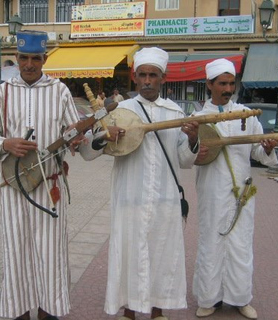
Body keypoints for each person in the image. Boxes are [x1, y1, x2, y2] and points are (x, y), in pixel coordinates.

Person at [81, 47, 199, 320]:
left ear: (163, 78)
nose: (147, 80)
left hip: (165, 200)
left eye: (153, 75)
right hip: (129, 197)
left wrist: (193, 139)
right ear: (135, 78)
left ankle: (157, 312)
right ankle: (129, 312)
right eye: (142, 75)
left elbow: (184, 159)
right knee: (129, 254)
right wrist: (104, 136)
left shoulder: (174, 112)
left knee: (161, 253)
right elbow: (88, 151)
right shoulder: (118, 110)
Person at [0, 30, 87, 320]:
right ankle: (18, 312)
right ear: (16, 58)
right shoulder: (3, 92)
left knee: (50, 254)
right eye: (24, 58)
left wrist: (76, 139)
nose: (29, 64)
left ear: (45, 59)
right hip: (13, 187)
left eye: (35, 59)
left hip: (48, 185)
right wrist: (5, 143)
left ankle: (48, 312)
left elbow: (72, 131)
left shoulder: (60, 91)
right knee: (16, 251)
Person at [192, 58, 278, 319]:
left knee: (241, 245)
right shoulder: (196, 119)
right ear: (209, 84)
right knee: (211, 242)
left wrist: (268, 148)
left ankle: (241, 298)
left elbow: (260, 154)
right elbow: (185, 156)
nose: (228, 89)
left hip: (242, 193)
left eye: (231, 83)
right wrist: (194, 148)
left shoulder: (247, 115)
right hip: (212, 192)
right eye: (222, 83)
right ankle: (208, 298)